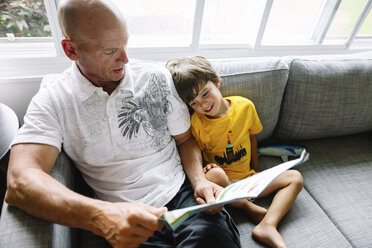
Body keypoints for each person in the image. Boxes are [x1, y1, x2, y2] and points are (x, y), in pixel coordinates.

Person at [5, 1, 241, 248]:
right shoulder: (53, 100)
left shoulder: (155, 77)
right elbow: (20, 182)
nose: (125, 58)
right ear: (70, 50)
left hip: (183, 193)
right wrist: (101, 216)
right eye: (110, 51)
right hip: (121, 213)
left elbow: (185, 139)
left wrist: (200, 182)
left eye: (125, 44)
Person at [166, 56, 304, 248]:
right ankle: (249, 208)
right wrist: (208, 167)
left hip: (249, 179)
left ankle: (268, 225)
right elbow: (197, 156)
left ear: (217, 82)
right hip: (225, 186)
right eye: (194, 103)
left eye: (205, 94)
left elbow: (252, 139)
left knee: (295, 177)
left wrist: (256, 171)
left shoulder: (245, 107)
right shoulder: (197, 123)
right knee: (214, 174)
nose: (203, 105)